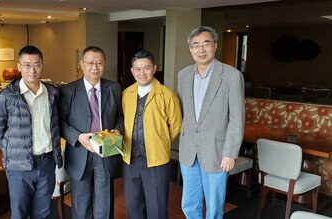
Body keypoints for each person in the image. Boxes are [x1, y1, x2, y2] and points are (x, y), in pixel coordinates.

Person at [177, 26, 245, 219]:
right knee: (189, 204)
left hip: (217, 151)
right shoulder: (183, 75)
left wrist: (230, 152)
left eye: (206, 44)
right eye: (195, 45)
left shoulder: (231, 76)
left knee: (214, 208)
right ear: (190, 49)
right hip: (189, 151)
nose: (201, 49)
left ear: (215, 45)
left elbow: (237, 118)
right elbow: (182, 113)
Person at [0, 45, 63, 219]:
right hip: (18, 167)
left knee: (43, 213)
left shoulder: (51, 93)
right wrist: (12, 151)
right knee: (19, 213)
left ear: (42, 66)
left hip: (46, 163)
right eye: (27, 65)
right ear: (19, 66)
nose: (32, 70)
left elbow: (56, 124)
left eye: (37, 65)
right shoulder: (6, 96)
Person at [59, 46, 123, 219]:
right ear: (81, 64)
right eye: (90, 62)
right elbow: (61, 123)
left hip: (106, 152)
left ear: (104, 64)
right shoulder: (67, 90)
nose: (95, 67)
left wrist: (118, 129)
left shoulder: (114, 88)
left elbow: (120, 117)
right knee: (80, 204)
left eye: (99, 63)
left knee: (105, 204)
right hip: (80, 152)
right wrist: (78, 137)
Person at [122, 50, 182, 219]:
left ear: (154, 68)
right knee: (132, 204)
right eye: (138, 69)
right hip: (130, 158)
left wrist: (160, 142)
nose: (142, 73)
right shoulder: (126, 94)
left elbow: (176, 126)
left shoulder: (167, 95)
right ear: (132, 71)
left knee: (156, 205)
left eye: (146, 68)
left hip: (156, 159)